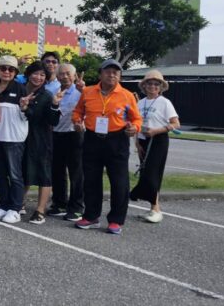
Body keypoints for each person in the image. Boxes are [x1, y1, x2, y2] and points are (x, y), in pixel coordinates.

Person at [72, 59, 141, 235]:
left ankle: (116, 220)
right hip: (92, 138)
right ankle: (91, 216)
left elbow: (136, 118)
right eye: (108, 71)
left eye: (115, 72)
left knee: (119, 182)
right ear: (100, 74)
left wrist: (135, 128)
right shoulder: (88, 92)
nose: (111, 75)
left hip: (117, 140)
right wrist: (77, 121)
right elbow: (78, 111)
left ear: (120, 76)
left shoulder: (127, 95)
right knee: (91, 179)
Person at [130, 69, 179, 223]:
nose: (153, 86)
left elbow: (175, 123)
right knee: (145, 173)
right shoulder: (140, 103)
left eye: (156, 84)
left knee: (153, 174)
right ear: (144, 86)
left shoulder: (165, 102)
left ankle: (156, 209)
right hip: (143, 140)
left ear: (161, 87)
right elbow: (137, 123)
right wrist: (137, 143)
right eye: (149, 83)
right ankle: (153, 208)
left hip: (158, 140)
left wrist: (156, 131)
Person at [19, 61, 63, 225]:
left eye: (42, 75)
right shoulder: (20, 90)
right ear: (28, 74)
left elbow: (53, 121)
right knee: (23, 171)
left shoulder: (47, 96)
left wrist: (55, 104)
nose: (38, 77)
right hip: (21, 138)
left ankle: (40, 211)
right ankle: (19, 203)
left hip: (41, 140)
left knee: (44, 174)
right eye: (35, 73)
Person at [0, 55, 29, 224]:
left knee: (15, 175)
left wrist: (25, 108)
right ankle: (4, 205)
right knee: (0, 175)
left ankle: (15, 208)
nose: (7, 72)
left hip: (15, 139)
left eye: (11, 69)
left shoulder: (21, 89)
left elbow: (27, 114)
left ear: (15, 72)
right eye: (3, 68)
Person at [48, 63, 84, 221]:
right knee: (57, 171)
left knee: (76, 173)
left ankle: (77, 207)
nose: (65, 76)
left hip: (75, 134)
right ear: (57, 76)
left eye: (68, 73)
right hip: (56, 134)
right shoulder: (54, 92)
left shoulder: (81, 92)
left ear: (74, 76)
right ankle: (59, 203)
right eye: (61, 74)